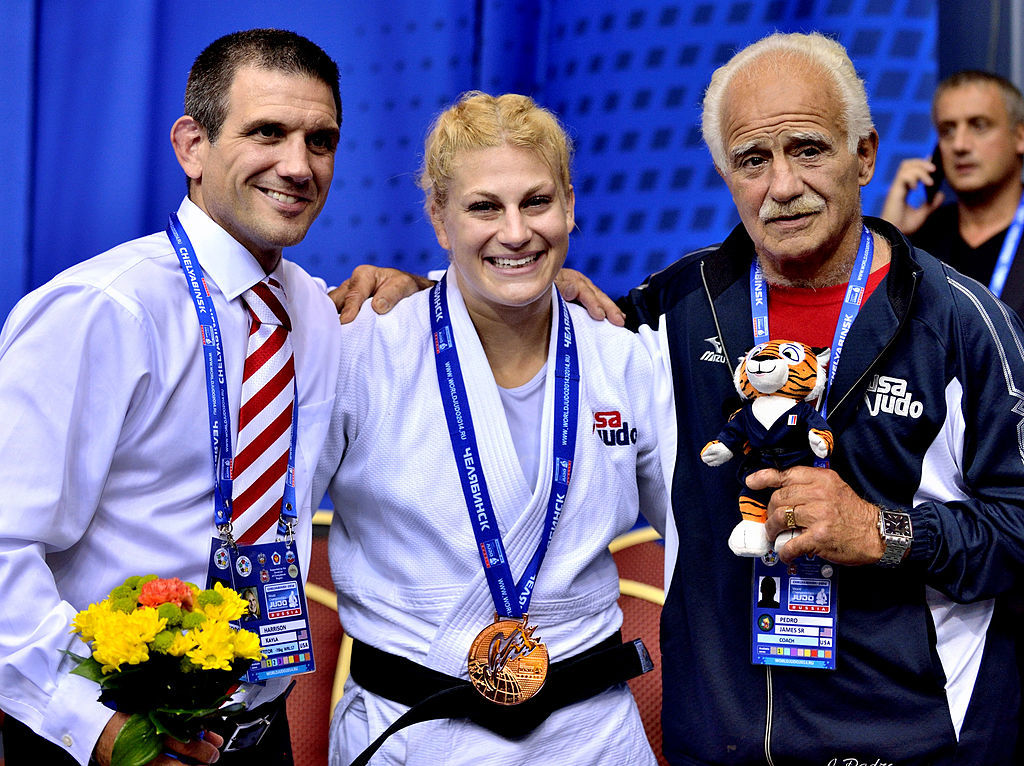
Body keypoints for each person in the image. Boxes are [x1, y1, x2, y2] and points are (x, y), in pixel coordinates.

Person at [338, 32, 1024, 765]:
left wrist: (883, 533)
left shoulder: (963, 325)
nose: (782, 185)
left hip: (913, 744)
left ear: (864, 155)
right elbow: (514, 304)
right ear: (726, 173)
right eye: (753, 160)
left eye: (809, 149)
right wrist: (427, 295)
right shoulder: (672, 313)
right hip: (719, 746)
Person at [0, 29, 343, 766]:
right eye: (268, 133)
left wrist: (544, 294)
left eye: (321, 140)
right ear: (191, 146)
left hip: (255, 732)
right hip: (111, 734)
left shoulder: (312, 312)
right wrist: (95, 727)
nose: (298, 164)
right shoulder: (103, 309)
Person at [314, 91, 668, 766]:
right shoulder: (364, 353)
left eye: (536, 202)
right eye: (483, 207)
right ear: (440, 219)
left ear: (569, 202)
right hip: (410, 734)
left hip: (591, 740)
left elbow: (702, 541)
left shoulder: (625, 358)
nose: (515, 232)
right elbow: (272, 527)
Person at [881, 70, 1024, 313]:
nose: (959, 145)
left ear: (1020, 137)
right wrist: (890, 237)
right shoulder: (918, 242)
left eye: (979, 126)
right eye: (947, 130)